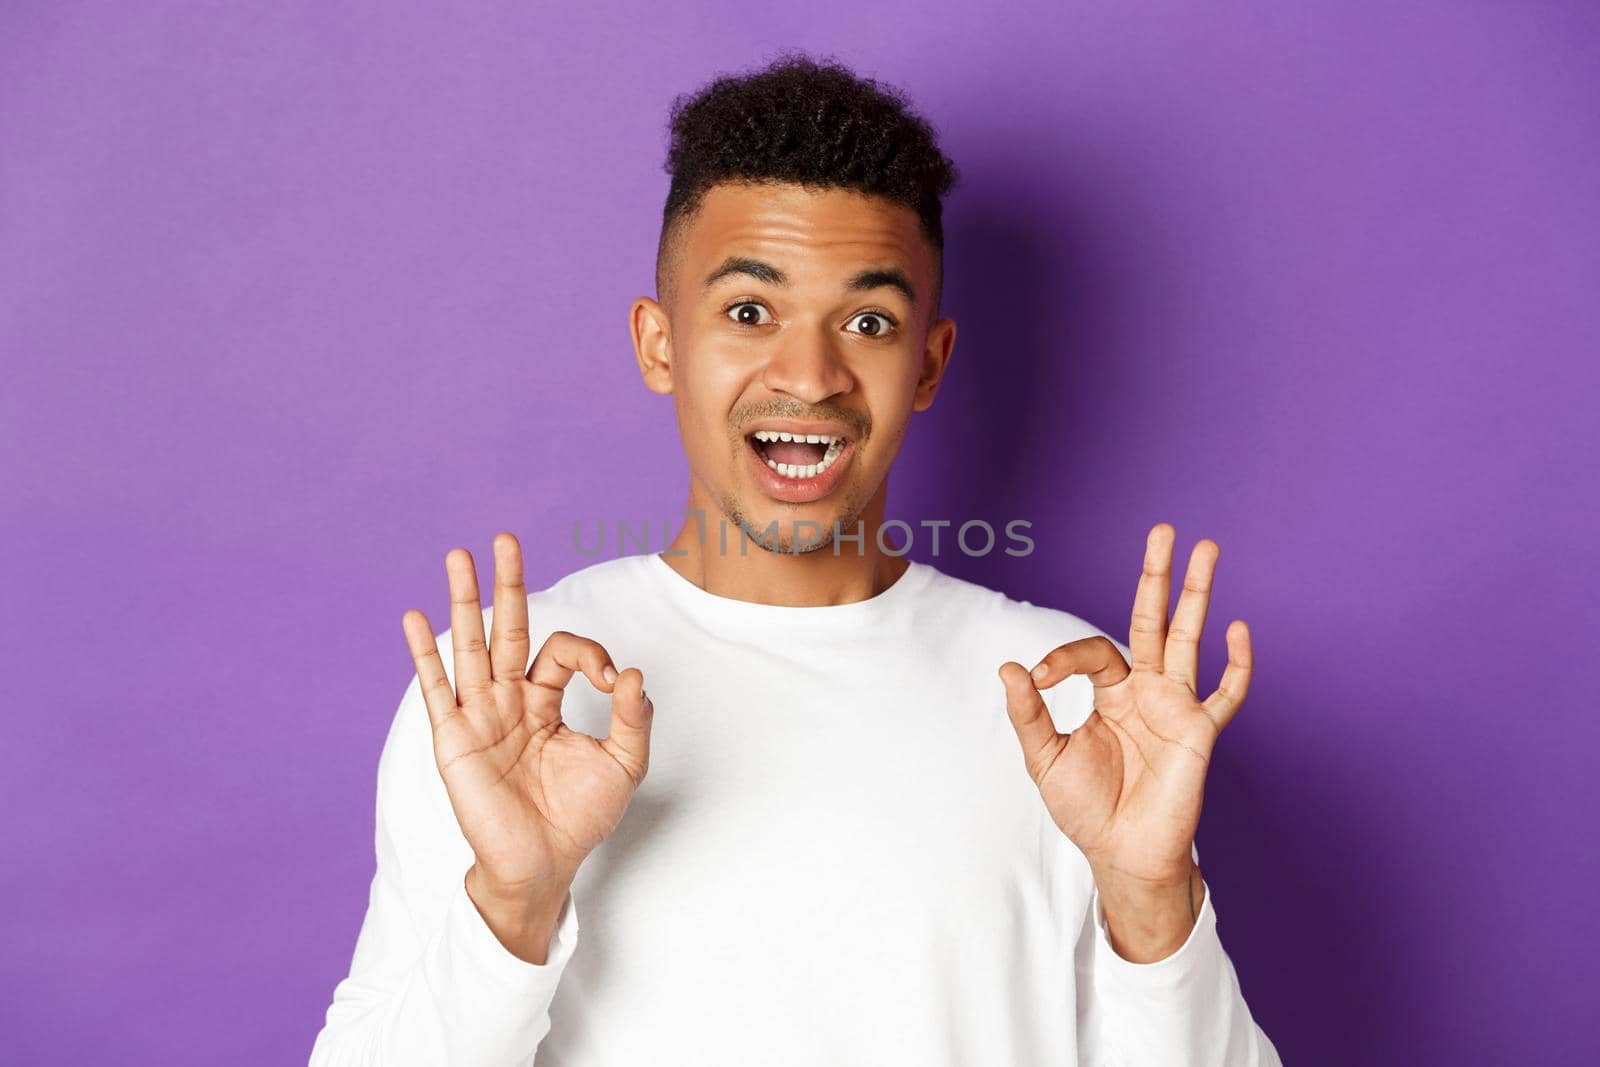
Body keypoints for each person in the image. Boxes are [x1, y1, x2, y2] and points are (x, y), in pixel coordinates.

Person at [310, 52, 1281, 1066]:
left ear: (929, 365)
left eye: (867, 322)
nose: (809, 375)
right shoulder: (507, 700)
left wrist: (1151, 901)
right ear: (658, 344)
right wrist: (510, 902)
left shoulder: (1074, 703)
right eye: (747, 311)